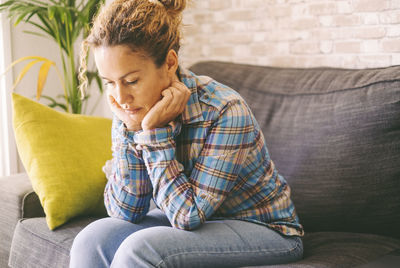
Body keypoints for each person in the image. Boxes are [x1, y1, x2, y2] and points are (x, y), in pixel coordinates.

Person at [70, 0, 304, 267]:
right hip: (192, 221)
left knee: (141, 249)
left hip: (264, 229)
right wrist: (132, 129)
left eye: (131, 81)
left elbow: (187, 216)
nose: (121, 97)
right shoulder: (129, 108)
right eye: (110, 83)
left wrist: (153, 133)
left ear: (170, 63)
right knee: (92, 240)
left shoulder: (225, 110)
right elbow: (125, 210)